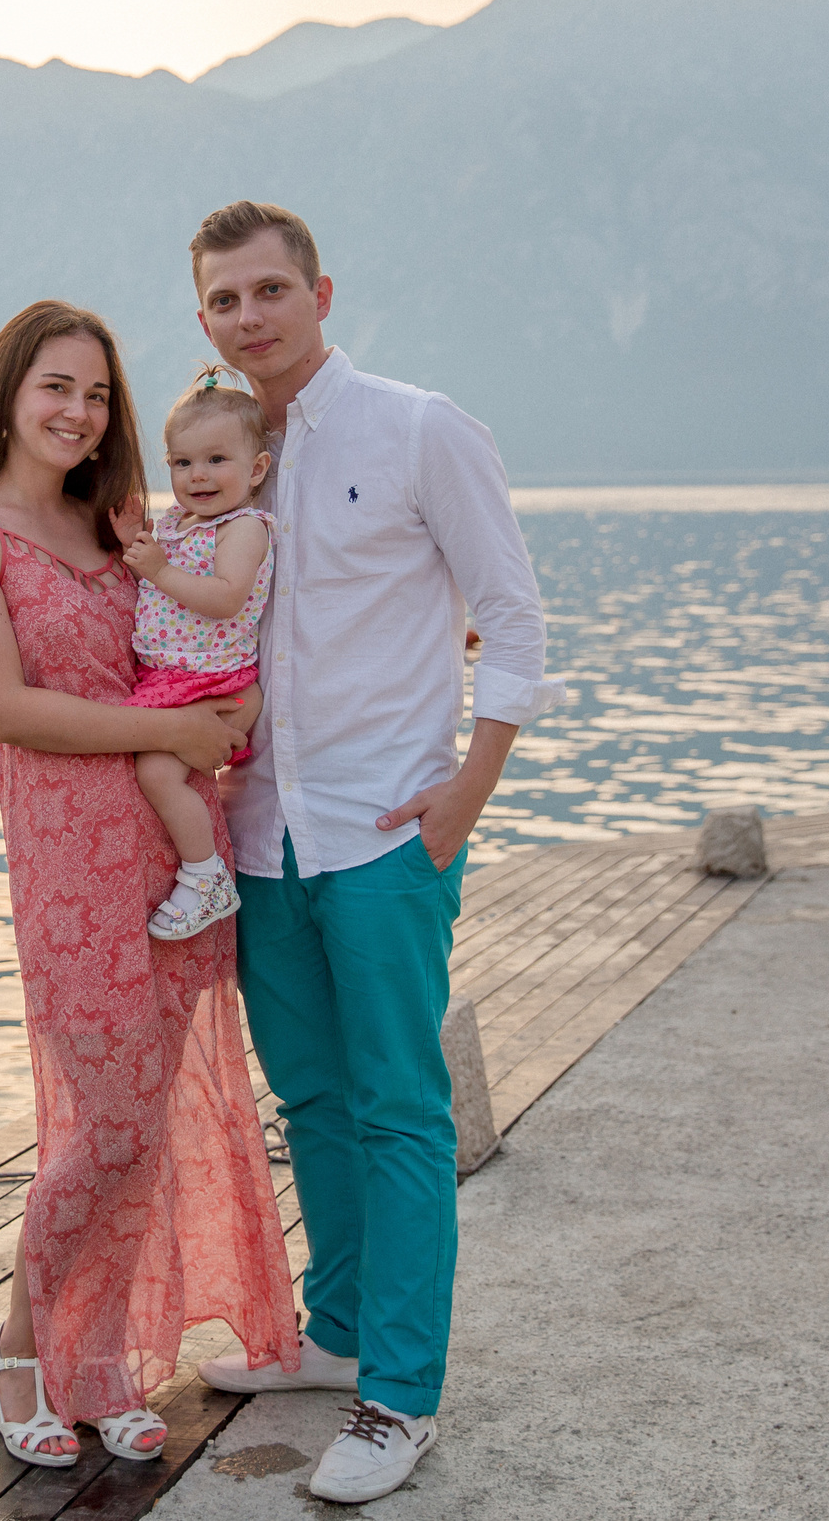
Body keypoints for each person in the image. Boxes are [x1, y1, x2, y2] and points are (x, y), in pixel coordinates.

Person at [184, 202, 563, 1503]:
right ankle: (333, 1332)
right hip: (263, 838)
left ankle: (399, 1396)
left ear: (322, 292)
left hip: (387, 832)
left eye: (271, 289)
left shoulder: (417, 425)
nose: (252, 315)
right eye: (226, 299)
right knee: (316, 1100)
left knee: (401, 1105)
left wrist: (471, 786)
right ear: (205, 319)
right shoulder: (223, 457)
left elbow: (511, 610)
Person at [0, 300, 300, 1470]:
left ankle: (108, 1366)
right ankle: (20, 1355)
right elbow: (3, 709)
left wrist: (218, 733)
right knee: (110, 1124)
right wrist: (180, 742)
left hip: (179, 844)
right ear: (6, 395)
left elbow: (217, 633)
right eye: (56, 388)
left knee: (136, 1131)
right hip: (70, 852)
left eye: (95, 394)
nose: (77, 413)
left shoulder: (120, 520)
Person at [119, 369, 274, 941]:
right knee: (149, 771)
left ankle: (206, 874)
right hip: (173, 680)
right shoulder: (177, 526)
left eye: (215, 460)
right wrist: (133, 540)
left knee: (157, 774)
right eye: (183, 463)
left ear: (256, 469)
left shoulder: (244, 528)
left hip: (218, 682)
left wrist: (159, 567)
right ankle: (194, 867)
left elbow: (226, 598)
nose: (198, 475)